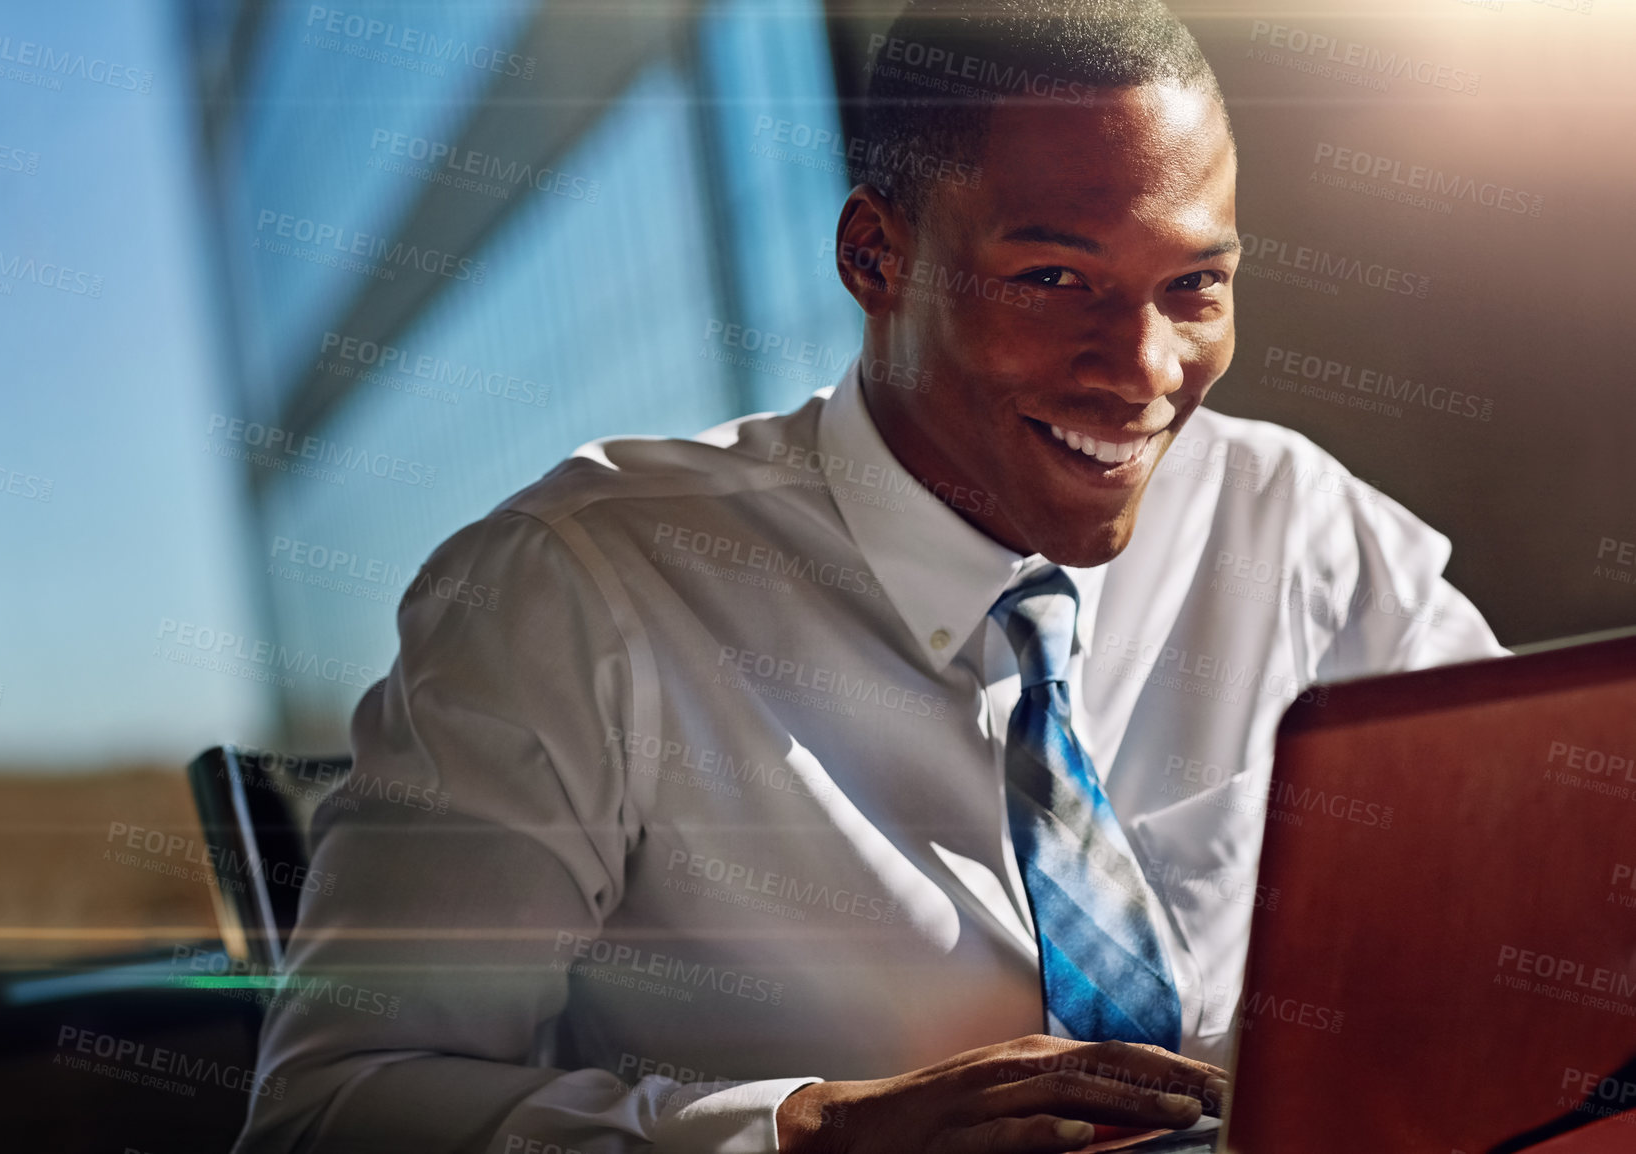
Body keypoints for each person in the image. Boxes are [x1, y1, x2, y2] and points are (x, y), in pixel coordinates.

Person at [235, 1, 1504, 1151]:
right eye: (1052, 278)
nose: (1142, 368)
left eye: (1194, 288)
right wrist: (806, 1133)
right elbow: (327, 1113)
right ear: (873, 257)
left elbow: (1540, 881)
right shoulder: (572, 589)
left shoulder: (1292, 519)